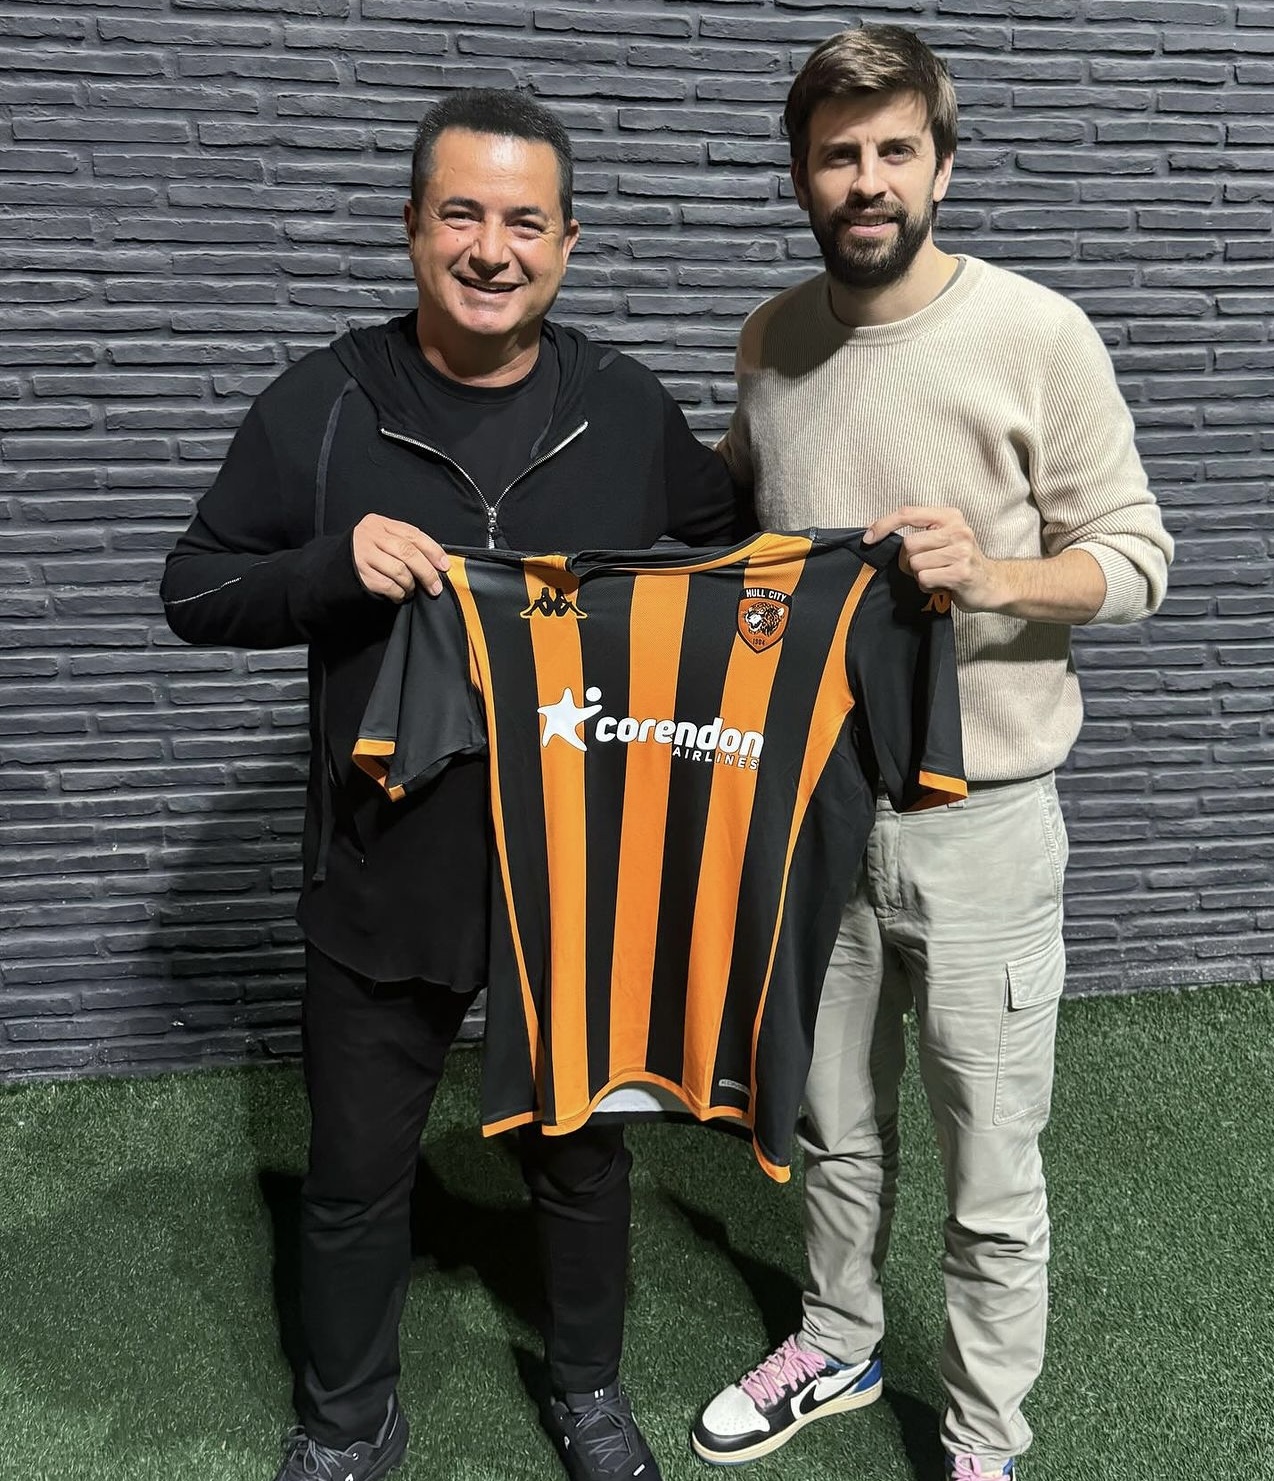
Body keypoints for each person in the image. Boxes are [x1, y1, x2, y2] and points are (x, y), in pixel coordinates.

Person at [161, 87, 737, 1481]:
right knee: (356, 1176)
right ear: (414, 227)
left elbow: (735, 567)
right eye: (462, 215)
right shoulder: (325, 404)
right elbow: (193, 589)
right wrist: (327, 567)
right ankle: (345, 1419)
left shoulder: (621, 405)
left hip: (577, 876)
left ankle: (588, 1391)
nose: (492, 249)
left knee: (583, 1158)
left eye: (524, 222)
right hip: (384, 869)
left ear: (567, 243)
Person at [691, 25, 1173, 1481]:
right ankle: (837, 1343)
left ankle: (980, 1439)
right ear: (801, 178)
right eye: (837, 155)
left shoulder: (1038, 334)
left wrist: (991, 576)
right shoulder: (770, 343)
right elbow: (736, 520)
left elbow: (1138, 559)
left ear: (941, 166)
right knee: (830, 1123)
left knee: (990, 1168)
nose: (867, 180)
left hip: (987, 825)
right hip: (814, 810)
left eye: (894, 149)